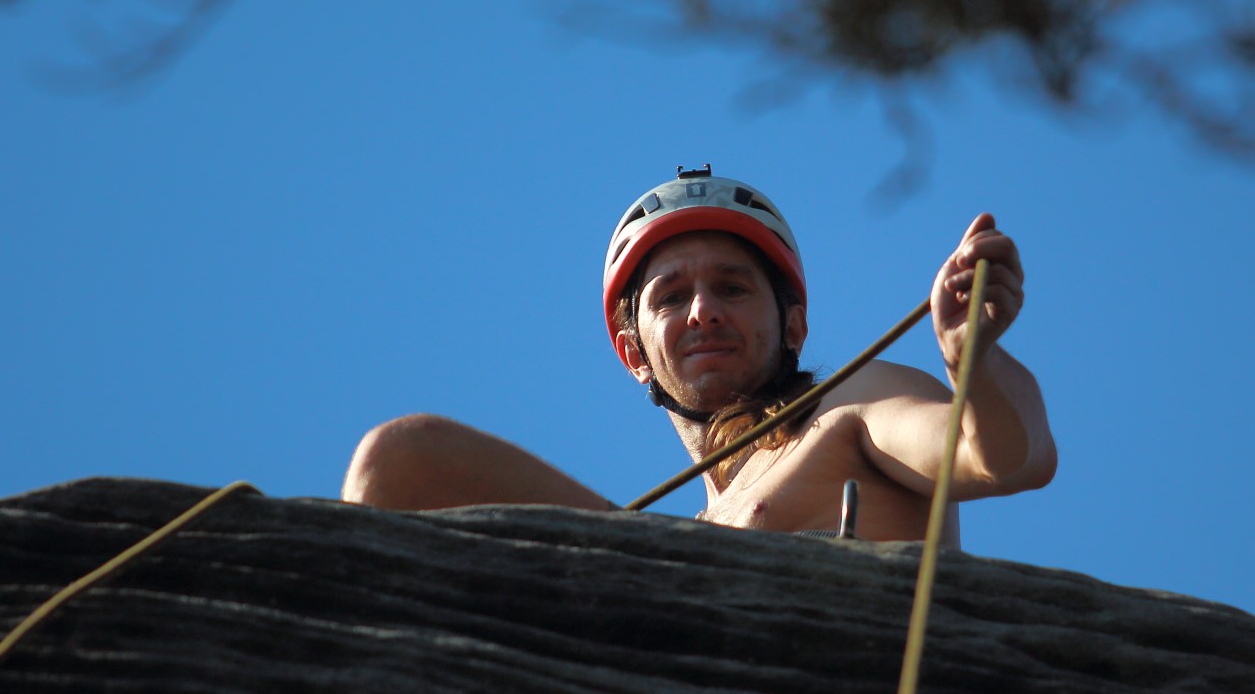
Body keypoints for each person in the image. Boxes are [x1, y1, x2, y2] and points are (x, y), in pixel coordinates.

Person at [342, 166, 1056, 544]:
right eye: (670, 296)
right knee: (400, 457)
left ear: (794, 326)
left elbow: (997, 454)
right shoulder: (673, 544)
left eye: (734, 287)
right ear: (633, 353)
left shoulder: (852, 403)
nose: (703, 310)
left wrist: (975, 363)